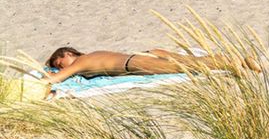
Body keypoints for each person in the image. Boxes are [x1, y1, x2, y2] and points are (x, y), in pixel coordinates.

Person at [41, 46, 258, 88]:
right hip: (136, 57)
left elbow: (55, 79)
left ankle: (233, 62)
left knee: (185, 67)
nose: (62, 68)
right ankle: (233, 58)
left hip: (133, 64)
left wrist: (45, 77)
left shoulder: (80, 62)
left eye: (61, 63)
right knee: (185, 63)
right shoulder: (93, 54)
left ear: (69, 54)